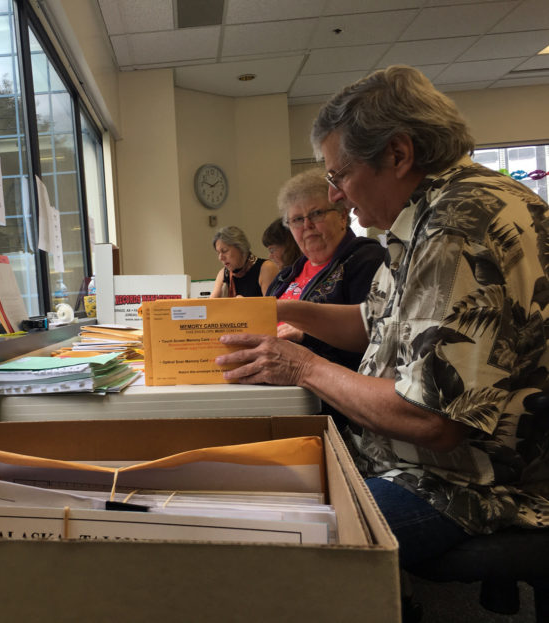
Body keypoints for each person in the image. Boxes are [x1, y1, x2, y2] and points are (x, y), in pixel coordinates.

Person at [214, 66, 549, 584]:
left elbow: (433, 422)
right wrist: (280, 310)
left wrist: (301, 366)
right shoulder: (430, 214)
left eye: (339, 175)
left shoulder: (457, 228)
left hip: (468, 483)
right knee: (246, 488)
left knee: (270, 555)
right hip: (413, 461)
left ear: (397, 154)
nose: (337, 196)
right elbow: (371, 324)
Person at [268, 168, 385, 373]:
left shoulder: (366, 259)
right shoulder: (285, 276)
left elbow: (375, 337)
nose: (307, 225)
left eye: (316, 214)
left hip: (326, 388)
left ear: (342, 216)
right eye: (297, 219)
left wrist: (307, 334)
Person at [209, 225, 277, 298]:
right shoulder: (223, 274)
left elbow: (270, 307)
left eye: (225, 251)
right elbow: (210, 305)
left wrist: (245, 304)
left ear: (241, 247)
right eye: (218, 253)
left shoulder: (266, 268)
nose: (220, 258)